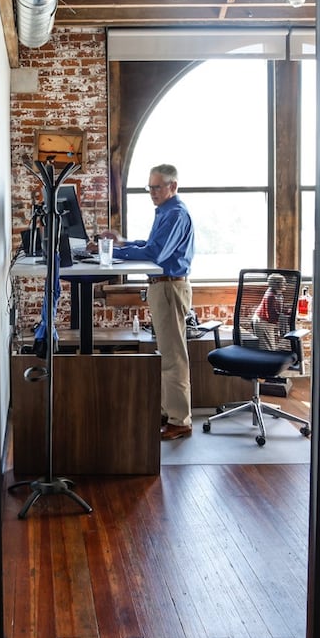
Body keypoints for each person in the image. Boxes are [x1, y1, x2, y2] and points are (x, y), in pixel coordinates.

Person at [91, 163, 196, 439]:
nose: (152, 192)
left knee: (174, 358)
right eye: (149, 187)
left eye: (157, 187)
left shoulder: (175, 214)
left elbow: (156, 255)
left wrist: (114, 250)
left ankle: (180, 420)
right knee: (167, 355)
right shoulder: (165, 213)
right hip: (163, 288)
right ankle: (168, 412)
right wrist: (123, 243)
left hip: (169, 289)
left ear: (173, 186)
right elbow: (151, 246)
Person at [250, 271, 288, 349]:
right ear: (277, 284)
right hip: (263, 322)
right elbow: (270, 315)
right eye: (283, 282)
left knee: (270, 347)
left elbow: (277, 309)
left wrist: (286, 312)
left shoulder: (277, 294)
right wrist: (285, 316)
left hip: (266, 322)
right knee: (267, 349)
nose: (285, 284)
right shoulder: (271, 296)